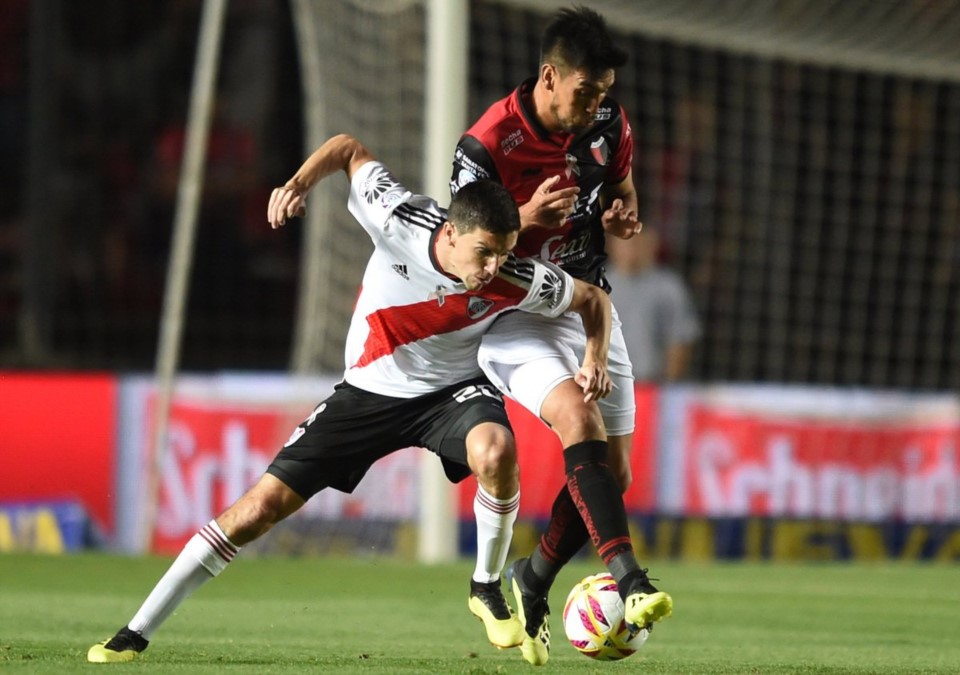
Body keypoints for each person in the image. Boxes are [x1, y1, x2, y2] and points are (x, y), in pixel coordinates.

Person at [86, 133, 615, 663]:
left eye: (502, 253)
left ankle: (486, 585)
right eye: (484, 253)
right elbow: (348, 149)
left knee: (497, 450)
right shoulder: (398, 218)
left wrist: (595, 356)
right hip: (368, 392)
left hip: (451, 391)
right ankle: (134, 632)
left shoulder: (516, 277)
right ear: (451, 233)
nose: (493, 267)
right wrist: (297, 184)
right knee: (258, 509)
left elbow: (592, 300)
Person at [450, 6, 672, 665]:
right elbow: (459, 247)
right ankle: (631, 580)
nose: (596, 103)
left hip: (587, 302)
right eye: (586, 91)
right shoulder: (487, 143)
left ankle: (534, 578)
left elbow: (622, 190)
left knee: (615, 472)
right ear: (550, 77)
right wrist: (522, 217)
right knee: (579, 416)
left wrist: (624, 214)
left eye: (604, 92)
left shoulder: (609, 123)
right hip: (512, 310)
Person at [606, 228, 701, 381]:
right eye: (625, 241)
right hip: (604, 385)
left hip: (651, 384)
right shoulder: (595, 286)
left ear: (651, 244)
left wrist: (668, 385)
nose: (631, 247)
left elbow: (679, 340)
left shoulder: (669, 288)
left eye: (637, 241)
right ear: (612, 244)